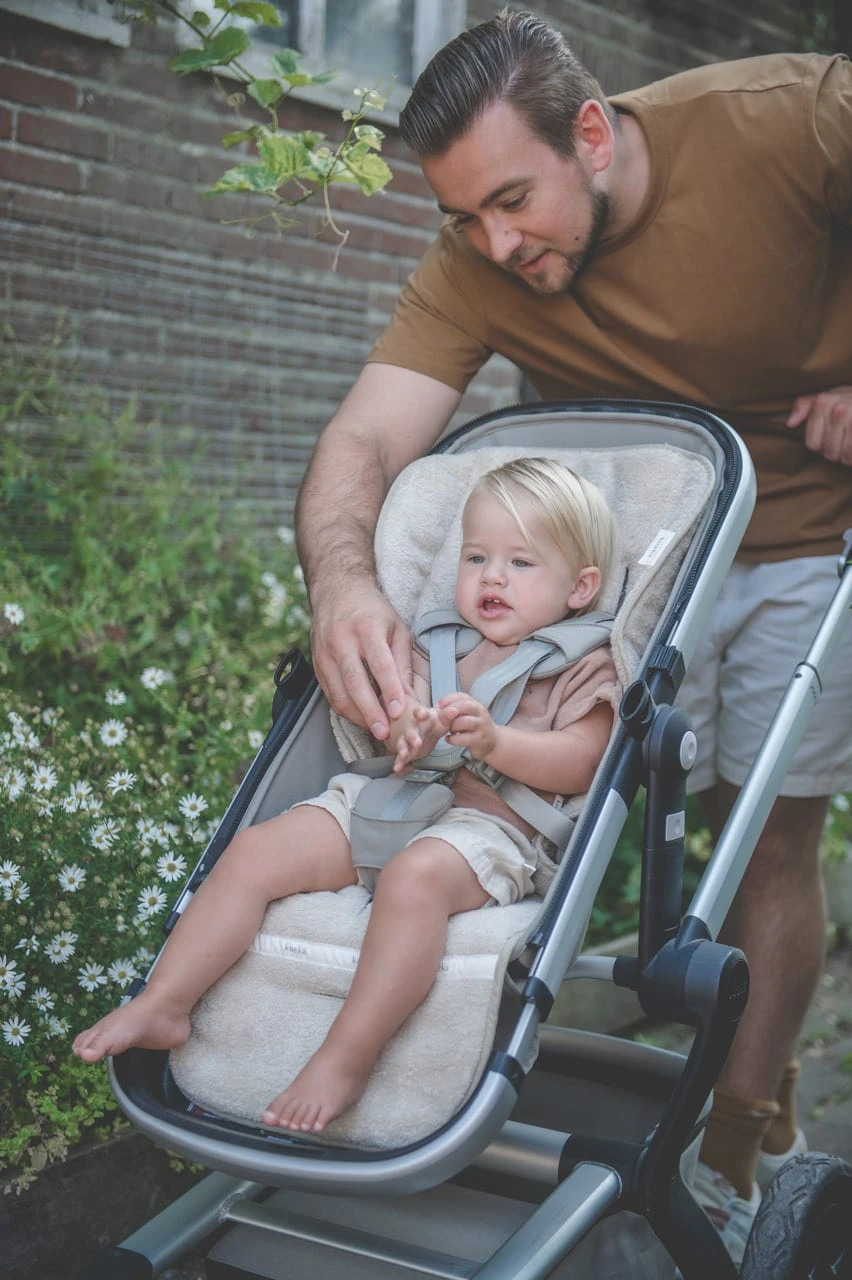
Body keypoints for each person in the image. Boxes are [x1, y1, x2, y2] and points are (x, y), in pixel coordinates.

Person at [294, 8, 852, 1264]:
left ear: (590, 134)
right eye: (462, 217)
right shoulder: (475, 254)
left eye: (510, 200)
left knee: (768, 850)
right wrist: (343, 585)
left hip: (806, 540)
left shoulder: (793, 119)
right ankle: (475, 1077)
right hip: (624, 567)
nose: (493, 243)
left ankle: (735, 1143)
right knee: (565, 827)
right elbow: (366, 442)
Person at [73, 458, 620, 1135]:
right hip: (393, 796)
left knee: (414, 882)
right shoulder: (437, 641)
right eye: (476, 556)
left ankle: (346, 1056)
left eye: (521, 562)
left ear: (581, 587)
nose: (492, 576)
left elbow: (585, 762)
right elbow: (395, 725)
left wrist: (499, 744)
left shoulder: (587, 664)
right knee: (257, 850)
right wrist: (408, 726)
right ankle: (166, 998)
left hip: (490, 832)